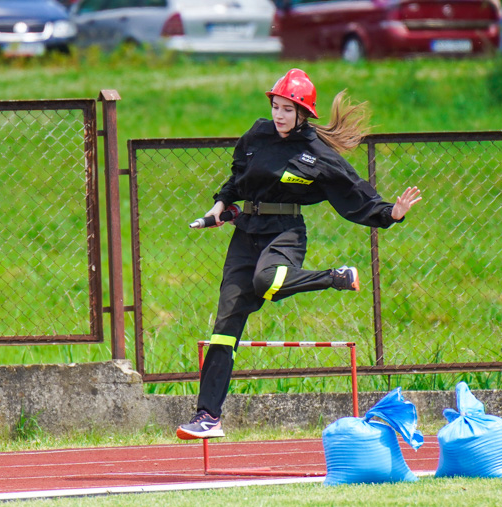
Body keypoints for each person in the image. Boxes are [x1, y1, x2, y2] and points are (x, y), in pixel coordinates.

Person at [176, 68, 422, 440]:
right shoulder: (257, 135)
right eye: (275, 106)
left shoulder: (316, 152)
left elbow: (353, 189)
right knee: (224, 329)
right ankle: (208, 416)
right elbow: (237, 177)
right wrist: (220, 204)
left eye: (287, 110)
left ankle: (334, 276)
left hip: (285, 233)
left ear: (303, 113)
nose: (278, 115)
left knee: (267, 281)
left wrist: (390, 213)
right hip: (245, 234)